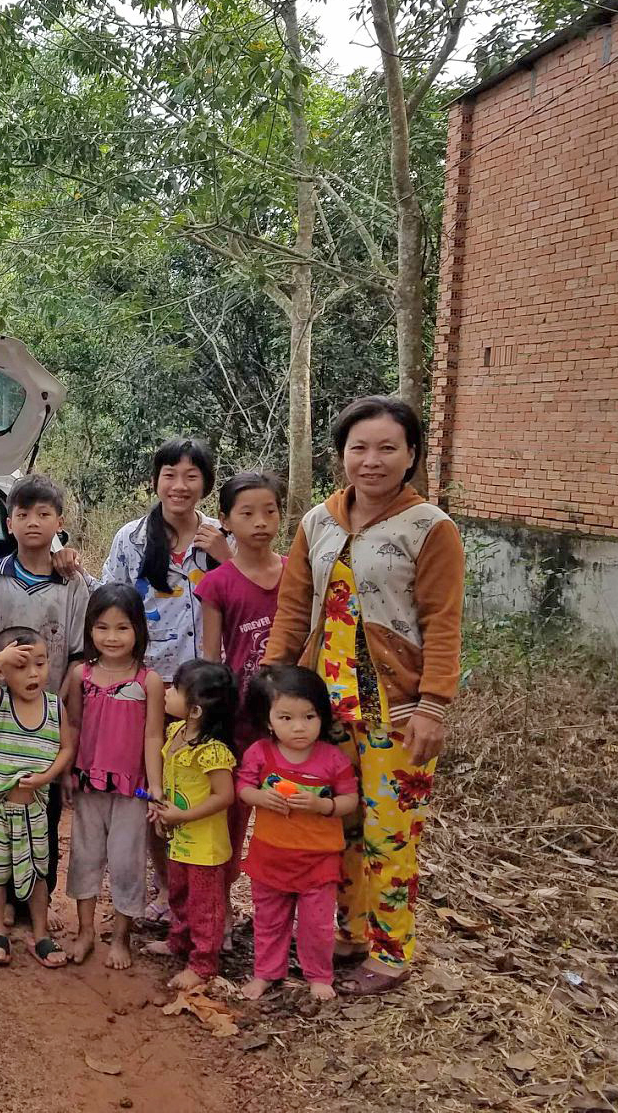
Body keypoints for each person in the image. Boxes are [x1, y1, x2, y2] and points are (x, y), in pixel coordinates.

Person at [263, 395, 465, 996]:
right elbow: (293, 608)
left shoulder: (430, 528)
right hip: (322, 708)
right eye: (359, 448)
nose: (371, 460)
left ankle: (391, 949)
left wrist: (434, 705)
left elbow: (443, 622)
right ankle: (348, 933)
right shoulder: (317, 522)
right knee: (337, 826)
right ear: (342, 455)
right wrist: (273, 680)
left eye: (387, 448)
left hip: (395, 711)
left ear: (411, 455)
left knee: (390, 833)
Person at [101, 438, 230, 920]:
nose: (179, 485)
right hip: (149, 686)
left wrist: (226, 558)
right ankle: (166, 888)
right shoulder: (132, 539)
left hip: (204, 692)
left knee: (201, 792)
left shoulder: (220, 538)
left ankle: (211, 899)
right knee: (154, 791)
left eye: (191, 476)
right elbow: (110, 602)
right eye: (170, 474)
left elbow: (248, 594)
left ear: (206, 484)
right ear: (155, 480)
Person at [0, 474, 89, 930]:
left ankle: (37, 898)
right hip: (1, 719)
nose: (32, 522)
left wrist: (59, 708)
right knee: (2, 807)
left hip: (49, 716)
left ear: (59, 522)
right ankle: (6, 896)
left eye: (44, 514)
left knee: (44, 810)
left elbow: (80, 654)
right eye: (22, 514)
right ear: (8, 522)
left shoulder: (74, 583)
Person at [196, 471, 286, 927]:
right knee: (230, 814)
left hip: (289, 722)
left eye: (270, 511)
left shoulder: (296, 574)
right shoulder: (218, 583)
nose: (260, 522)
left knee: (285, 811)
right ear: (226, 521)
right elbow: (212, 657)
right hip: (238, 721)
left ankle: (280, 911)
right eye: (247, 513)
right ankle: (222, 907)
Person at [237, 665, 359, 1002]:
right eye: (286, 718)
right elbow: (243, 788)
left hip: (318, 861)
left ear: (322, 716)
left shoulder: (333, 760)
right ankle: (266, 972)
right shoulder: (260, 753)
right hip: (270, 856)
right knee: (269, 919)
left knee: (316, 925)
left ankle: (318, 975)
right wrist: (260, 797)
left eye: (309, 716)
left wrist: (323, 806)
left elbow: (350, 800)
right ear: (268, 720)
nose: (299, 727)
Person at [63, 584, 164, 970]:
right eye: (102, 627)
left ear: (138, 628)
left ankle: (121, 936)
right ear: (90, 629)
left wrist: (155, 786)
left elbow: (153, 736)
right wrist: (66, 772)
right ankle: (85, 930)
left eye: (122, 627)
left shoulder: (148, 681)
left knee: (127, 862)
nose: (112, 637)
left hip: (132, 789)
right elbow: (73, 725)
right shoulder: (81, 675)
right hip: (88, 783)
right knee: (85, 856)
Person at [0, 628, 74, 968]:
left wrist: (46, 777)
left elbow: (66, 748)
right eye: (21, 666)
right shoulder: (0, 701)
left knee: (39, 872)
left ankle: (40, 934)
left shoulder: (54, 707)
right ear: (2, 673)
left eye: (40, 664)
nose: (33, 674)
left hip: (34, 811)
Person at [145, 659, 237, 990]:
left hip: (204, 847)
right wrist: (162, 810)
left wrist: (181, 816)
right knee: (179, 893)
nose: (167, 693)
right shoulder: (176, 733)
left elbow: (224, 796)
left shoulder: (212, 752)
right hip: (179, 839)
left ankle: (203, 964)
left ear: (195, 710)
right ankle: (179, 941)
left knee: (204, 905)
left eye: (175, 690)